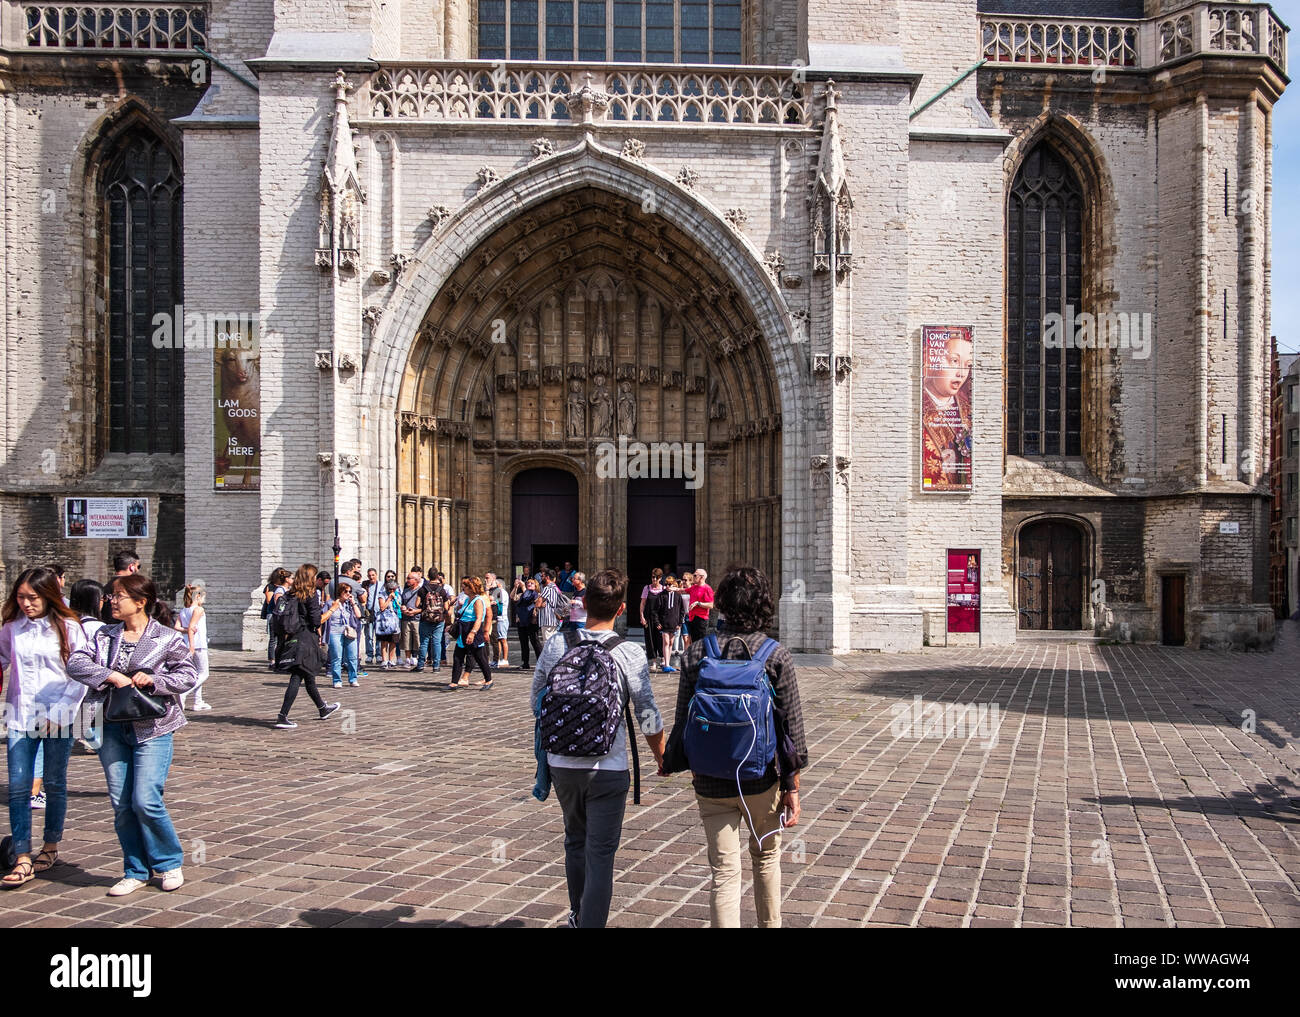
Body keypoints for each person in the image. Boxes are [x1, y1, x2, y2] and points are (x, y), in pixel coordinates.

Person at [662, 566, 808, 928]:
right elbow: (792, 730)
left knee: (724, 872)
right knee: (766, 860)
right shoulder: (776, 655)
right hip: (762, 779)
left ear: (721, 603)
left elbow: (684, 721)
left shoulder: (696, 652)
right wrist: (792, 786)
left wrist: (680, 763)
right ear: (763, 606)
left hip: (711, 780)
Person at [531, 569, 665, 928]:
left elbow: (536, 700)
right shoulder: (630, 652)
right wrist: (660, 756)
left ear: (583, 603)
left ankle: (576, 915)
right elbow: (647, 712)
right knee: (601, 854)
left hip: (562, 763)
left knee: (575, 840)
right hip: (609, 765)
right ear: (621, 609)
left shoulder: (559, 644)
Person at [66, 572, 200, 897]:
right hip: (110, 725)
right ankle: (135, 869)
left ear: (140, 602)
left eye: (118, 596)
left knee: (146, 799)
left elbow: (189, 673)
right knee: (121, 803)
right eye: (111, 596)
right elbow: (75, 663)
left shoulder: (166, 638)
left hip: (153, 726)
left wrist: (153, 681)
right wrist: (112, 675)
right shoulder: (104, 636)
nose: (112, 601)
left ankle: (169, 862)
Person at [0, 567, 88, 888]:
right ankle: (22, 856)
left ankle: (50, 845)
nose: (25, 603)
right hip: (20, 716)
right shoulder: (13, 628)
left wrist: (60, 713)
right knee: (20, 787)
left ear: (48, 595)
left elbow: (79, 674)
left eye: (32, 597)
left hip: (59, 718)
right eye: (20, 597)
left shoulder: (69, 628)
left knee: (54, 782)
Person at [270, 564, 342, 729]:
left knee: (308, 675)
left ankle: (323, 709)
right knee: (297, 676)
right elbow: (317, 621)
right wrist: (332, 609)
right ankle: (282, 716)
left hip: (293, 637)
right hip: (305, 639)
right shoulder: (310, 595)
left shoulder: (290, 594)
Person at [447, 576, 493, 690]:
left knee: (480, 657)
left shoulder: (478, 601)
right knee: (458, 656)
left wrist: (472, 633)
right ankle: (454, 682)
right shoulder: (468, 599)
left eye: (465, 586)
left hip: (473, 630)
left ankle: (488, 680)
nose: (463, 588)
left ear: (471, 588)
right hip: (463, 630)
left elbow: (478, 619)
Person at [176, 583, 211, 711]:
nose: (203, 601)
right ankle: (184, 692)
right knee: (204, 673)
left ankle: (198, 701)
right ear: (198, 597)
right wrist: (192, 644)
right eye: (203, 598)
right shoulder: (198, 610)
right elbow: (191, 627)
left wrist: (187, 632)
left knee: (196, 673)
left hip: (187, 643)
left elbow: (177, 627)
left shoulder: (184, 610)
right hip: (198, 644)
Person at [324, 580, 363, 689]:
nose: (348, 593)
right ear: (340, 592)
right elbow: (324, 616)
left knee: (352, 656)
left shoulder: (349, 604)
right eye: (346, 591)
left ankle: (353, 679)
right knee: (337, 656)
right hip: (334, 631)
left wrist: (353, 603)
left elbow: (358, 615)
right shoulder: (330, 603)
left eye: (350, 591)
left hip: (349, 631)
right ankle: (337, 680)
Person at [413, 572, 450, 674]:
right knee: (437, 642)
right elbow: (446, 607)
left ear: (428, 576)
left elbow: (417, 604)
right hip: (439, 620)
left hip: (425, 619)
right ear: (437, 577)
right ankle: (436, 666)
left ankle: (420, 666)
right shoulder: (442, 590)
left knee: (424, 642)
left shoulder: (423, 589)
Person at [654, 576, 687, 673]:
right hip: (664, 623)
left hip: (674, 623)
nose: (667, 586)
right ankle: (667, 664)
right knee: (666, 643)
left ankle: (667, 663)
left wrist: (680, 623)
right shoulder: (661, 595)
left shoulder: (678, 596)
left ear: (674, 585)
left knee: (671, 643)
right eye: (666, 584)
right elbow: (655, 610)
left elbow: (681, 610)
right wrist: (657, 622)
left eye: (669, 584)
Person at [262, 568, 291, 668]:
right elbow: (271, 601)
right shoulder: (272, 587)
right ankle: (273, 660)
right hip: (273, 614)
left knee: (281, 639)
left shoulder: (285, 589)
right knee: (273, 639)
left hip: (281, 616)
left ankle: (280, 659)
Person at [512, 577, 541, 670]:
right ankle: (525, 663)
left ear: (535, 585)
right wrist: (516, 587)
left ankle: (540, 662)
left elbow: (527, 598)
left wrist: (523, 586)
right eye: (528, 583)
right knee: (523, 642)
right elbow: (513, 597)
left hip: (531, 621)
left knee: (535, 642)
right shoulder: (523, 593)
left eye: (531, 583)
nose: (529, 584)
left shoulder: (536, 594)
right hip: (522, 621)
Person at [375, 573, 402, 670]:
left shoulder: (398, 595)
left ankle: (391, 660)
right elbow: (382, 607)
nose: (392, 591)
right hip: (384, 620)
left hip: (395, 620)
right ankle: (384, 660)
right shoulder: (382, 594)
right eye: (390, 589)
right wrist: (389, 598)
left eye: (394, 589)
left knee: (393, 641)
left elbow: (399, 606)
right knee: (384, 641)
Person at [399, 569, 425, 668]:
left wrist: (414, 611)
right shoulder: (405, 591)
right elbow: (402, 603)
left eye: (409, 578)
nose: (407, 580)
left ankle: (419, 659)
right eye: (407, 578)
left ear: (416, 580)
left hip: (417, 619)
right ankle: (408, 659)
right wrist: (403, 608)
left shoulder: (422, 591)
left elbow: (424, 607)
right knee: (406, 640)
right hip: (406, 619)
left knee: (418, 639)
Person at [485, 572, 510, 669]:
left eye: (488, 578)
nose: (486, 580)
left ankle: (504, 659)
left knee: (501, 639)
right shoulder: (493, 591)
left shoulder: (499, 591)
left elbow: (489, 600)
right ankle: (498, 659)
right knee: (497, 639)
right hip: (497, 618)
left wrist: (490, 598)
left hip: (501, 618)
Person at [639, 568, 664, 662]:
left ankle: (662, 659)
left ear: (660, 578)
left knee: (660, 638)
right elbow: (642, 603)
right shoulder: (647, 588)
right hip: (648, 617)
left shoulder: (663, 589)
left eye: (656, 577)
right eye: (653, 577)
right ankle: (653, 661)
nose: (654, 579)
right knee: (650, 639)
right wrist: (642, 616)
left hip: (660, 618)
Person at [534, 571, 565, 647]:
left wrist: (539, 604)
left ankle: (550, 658)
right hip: (554, 618)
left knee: (547, 642)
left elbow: (538, 603)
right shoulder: (556, 588)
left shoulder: (547, 588)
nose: (541, 578)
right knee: (553, 641)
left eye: (542, 576)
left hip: (547, 619)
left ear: (547, 577)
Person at [685, 568, 714, 645]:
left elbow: (711, 605)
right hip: (692, 618)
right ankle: (696, 656)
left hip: (701, 619)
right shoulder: (694, 587)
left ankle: (703, 656)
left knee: (701, 642)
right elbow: (683, 590)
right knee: (694, 642)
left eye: (695, 575)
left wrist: (698, 603)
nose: (693, 577)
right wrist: (672, 589)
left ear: (701, 577)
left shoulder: (707, 588)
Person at [361, 568, 380, 665]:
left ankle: (379, 654)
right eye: (369, 575)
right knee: (368, 634)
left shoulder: (381, 585)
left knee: (379, 634)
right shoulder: (365, 585)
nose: (371, 577)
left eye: (373, 575)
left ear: (376, 575)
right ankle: (369, 654)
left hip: (379, 613)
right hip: (369, 613)